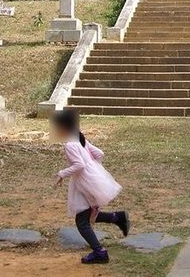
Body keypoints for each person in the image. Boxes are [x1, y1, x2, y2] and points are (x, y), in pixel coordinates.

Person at [52, 109, 129, 265]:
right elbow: (99, 154)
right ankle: (117, 218)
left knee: (82, 221)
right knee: (87, 213)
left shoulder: (70, 145)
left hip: (84, 184)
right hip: (90, 181)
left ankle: (100, 252)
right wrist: (94, 170)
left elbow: (78, 165)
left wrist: (62, 173)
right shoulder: (80, 140)